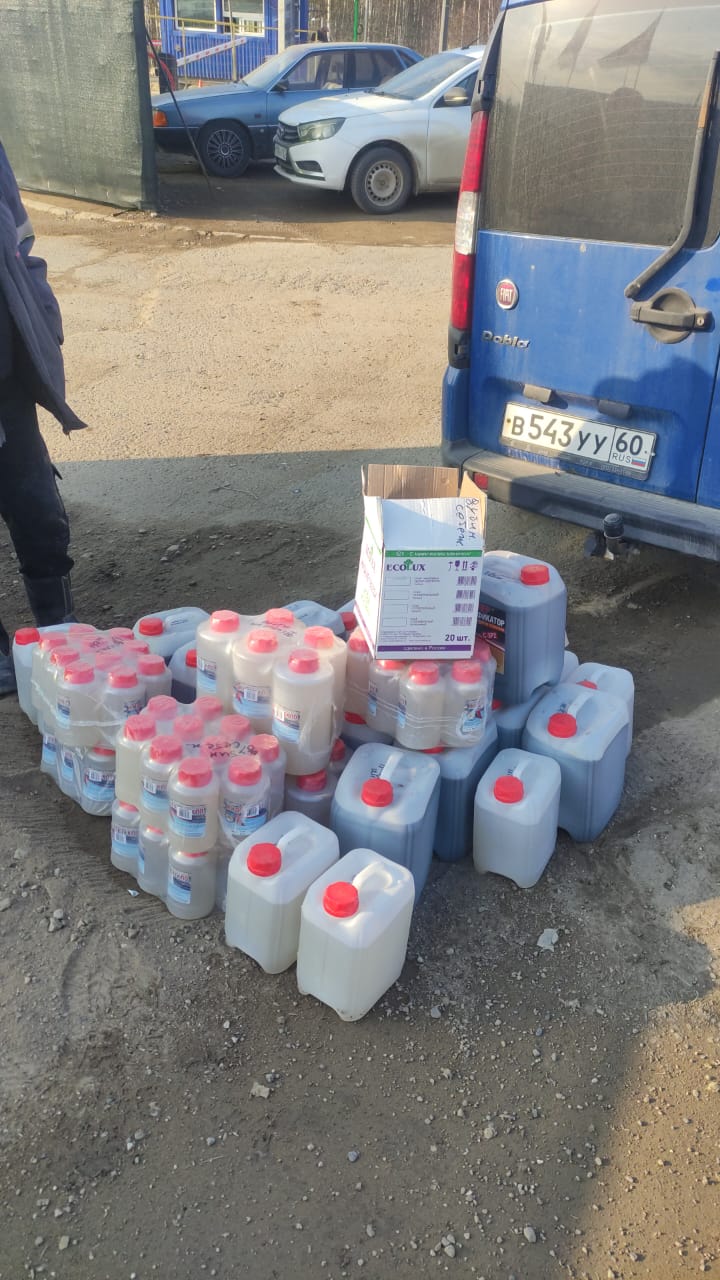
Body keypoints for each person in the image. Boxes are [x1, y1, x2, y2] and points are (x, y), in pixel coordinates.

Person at [0, 139, 86, 695]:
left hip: (6, 376)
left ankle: (58, 631)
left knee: (37, 510)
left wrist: (42, 312)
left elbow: (21, 236)